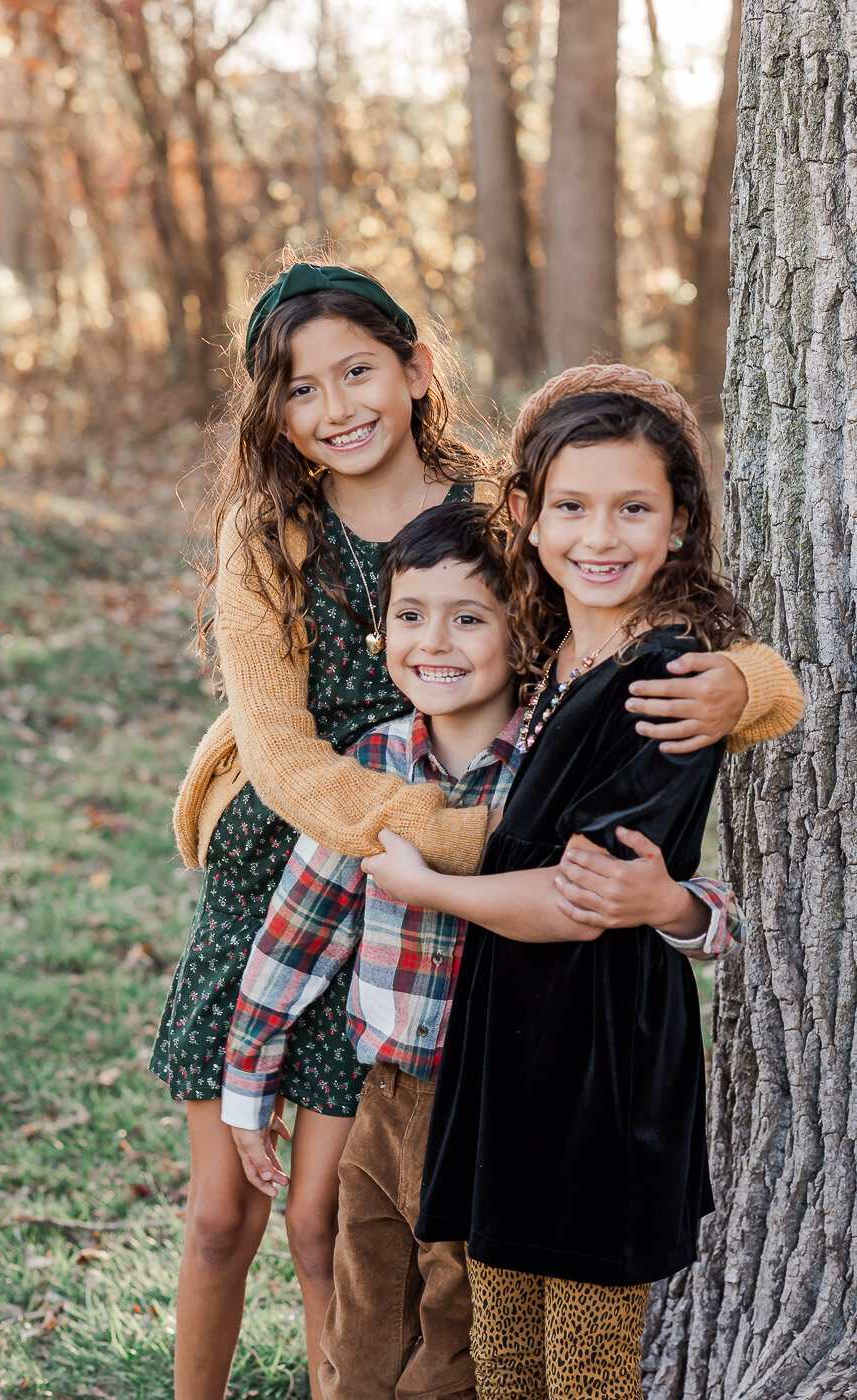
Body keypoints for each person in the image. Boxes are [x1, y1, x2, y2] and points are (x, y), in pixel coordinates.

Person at [153, 257, 799, 1400]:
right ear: (271, 410)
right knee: (225, 1210)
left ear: (415, 368)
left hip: (446, 901)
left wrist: (746, 683)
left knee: (337, 1210)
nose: (337, 406)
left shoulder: (497, 505)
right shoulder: (266, 537)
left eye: (359, 370)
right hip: (307, 856)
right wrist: (456, 840)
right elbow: (286, 756)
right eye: (301, 388)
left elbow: (617, 599)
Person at [220, 501, 748, 1400]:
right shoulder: (369, 768)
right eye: (410, 616)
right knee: (361, 1329)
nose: (436, 642)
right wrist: (247, 1081)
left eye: (469, 618)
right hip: (381, 1101)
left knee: (454, 1348)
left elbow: (636, 889)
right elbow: (299, 930)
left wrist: (684, 909)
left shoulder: (540, 766)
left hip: (493, 1103)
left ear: (523, 632)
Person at [360, 365, 804, 1400]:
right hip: (506, 1043)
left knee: (586, 1366)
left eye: (633, 507)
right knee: (506, 1349)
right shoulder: (548, 645)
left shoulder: (670, 680)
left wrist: (431, 889)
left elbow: (578, 898)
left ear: (681, 522)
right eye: (570, 506)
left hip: (600, 1057)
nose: (597, 535)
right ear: (524, 512)